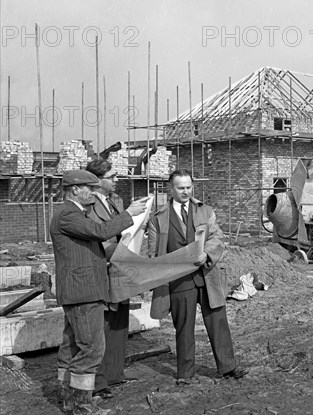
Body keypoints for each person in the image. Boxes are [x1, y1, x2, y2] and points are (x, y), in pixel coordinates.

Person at [51, 169, 146, 415]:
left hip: (81, 290)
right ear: (74, 190)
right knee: (92, 347)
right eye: (89, 189)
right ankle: (82, 405)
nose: (93, 194)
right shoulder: (68, 215)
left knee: (72, 346)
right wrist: (129, 215)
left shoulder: (72, 214)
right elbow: (100, 232)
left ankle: (68, 398)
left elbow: (90, 249)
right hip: (83, 292)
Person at [147, 169, 247, 384]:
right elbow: (153, 253)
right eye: (181, 188)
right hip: (179, 280)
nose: (185, 191)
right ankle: (185, 373)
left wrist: (207, 253)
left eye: (189, 187)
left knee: (218, 322)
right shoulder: (158, 219)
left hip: (207, 276)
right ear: (170, 189)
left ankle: (227, 367)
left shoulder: (205, 211)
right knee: (183, 327)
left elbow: (217, 237)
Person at [85, 160, 132, 400]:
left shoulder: (116, 202)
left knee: (119, 322)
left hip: (120, 267)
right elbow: (96, 236)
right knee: (101, 326)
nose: (116, 180)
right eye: (112, 176)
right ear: (96, 180)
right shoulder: (87, 205)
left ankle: (115, 374)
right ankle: (99, 382)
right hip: (102, 268)